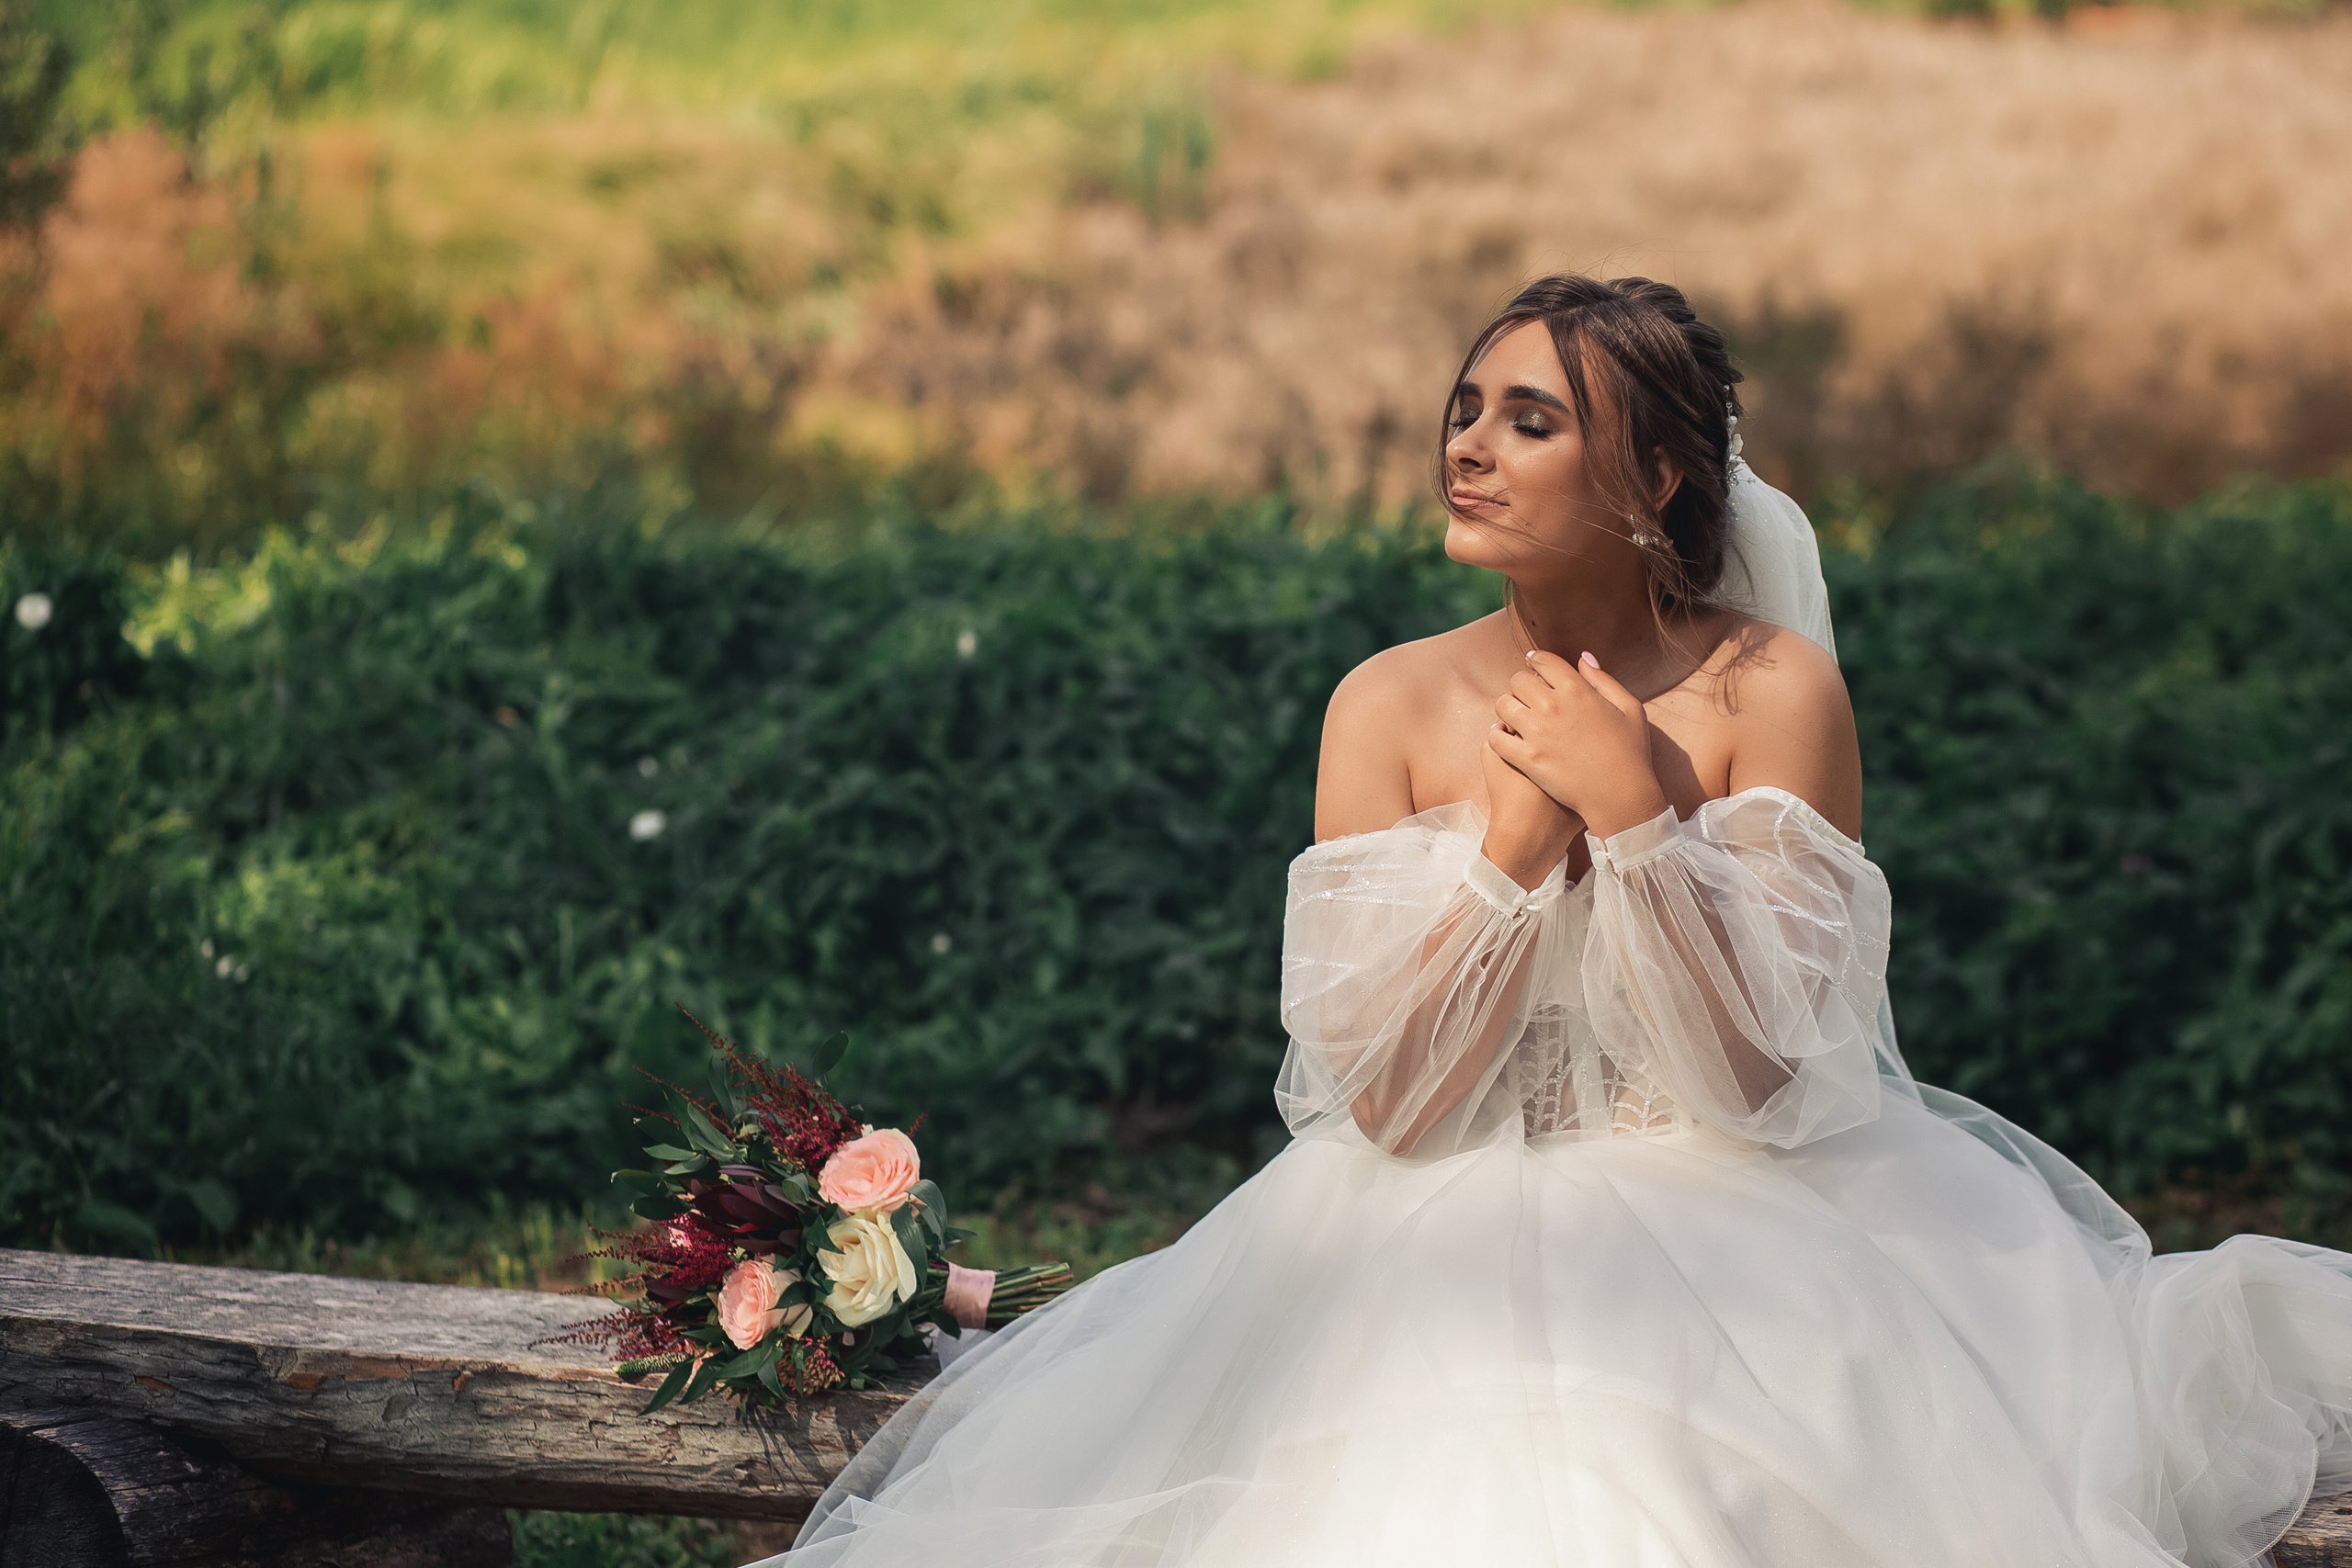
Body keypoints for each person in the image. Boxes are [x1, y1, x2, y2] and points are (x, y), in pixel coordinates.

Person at [763, 275, 2352, 1568]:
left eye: (1531, 421)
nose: (1469, 447)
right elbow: (1390, 1106)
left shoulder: (1772, 691)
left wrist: (1642, 820)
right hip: (1414, 1224)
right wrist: (1518, 848)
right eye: (1466, 409)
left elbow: (1765, 1086)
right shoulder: (1385, 705)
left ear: (1657, 474)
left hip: (1755, 1236)